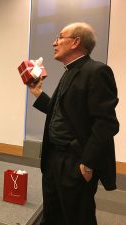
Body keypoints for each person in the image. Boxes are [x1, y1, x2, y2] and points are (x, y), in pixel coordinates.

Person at [28, 22, 119, 225]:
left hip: (75, 161)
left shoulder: (97, 71)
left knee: (77, 218)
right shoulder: (69, 71)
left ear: (76, 42)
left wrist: (87, 164)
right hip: (53, 159)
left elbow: (106, 124)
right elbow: (62, 113)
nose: (54, 42)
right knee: (53, 215)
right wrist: (37, 94)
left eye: (60, 37)